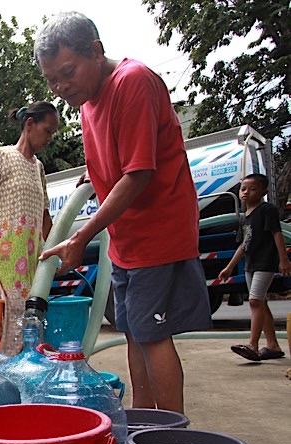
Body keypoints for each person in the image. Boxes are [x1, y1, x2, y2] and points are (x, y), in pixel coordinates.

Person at [34, 12, 212, 413]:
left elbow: (139, 174)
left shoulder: (132, 82)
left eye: (67, 73)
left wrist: (81, 235)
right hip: (127, 238)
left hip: (157, 232)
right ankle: (143, 421)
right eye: (51, 80)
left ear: (95, 52)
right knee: (133, 331)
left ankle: (169, 439)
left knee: (152, 334)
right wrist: (91, 174)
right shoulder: (87, 101)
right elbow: (117, 155)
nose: (61, 87)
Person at [0, 102, 56, 355]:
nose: (50, 138)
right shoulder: (2, 157)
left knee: (33, 307)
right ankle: (11, 370)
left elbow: (44, 214)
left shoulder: (38, 167)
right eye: (47, 131)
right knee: (18, 306)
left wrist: (55, 249)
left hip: (31, 250)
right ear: (30, 125)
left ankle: (30, 362)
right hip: (4, 246)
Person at [219, 174, 289, 361]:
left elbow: (277, 235)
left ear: (263, 192)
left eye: (252, 189)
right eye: (243, 189)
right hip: (251, 263)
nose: (246, 192)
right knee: (260, 302)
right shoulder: (246, 217)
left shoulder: (267, 210)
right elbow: (244, 245)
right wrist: (229, 267)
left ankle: (253, 345)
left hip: (265, 262)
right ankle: (273, 345)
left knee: (254, 301)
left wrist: (284, 260)